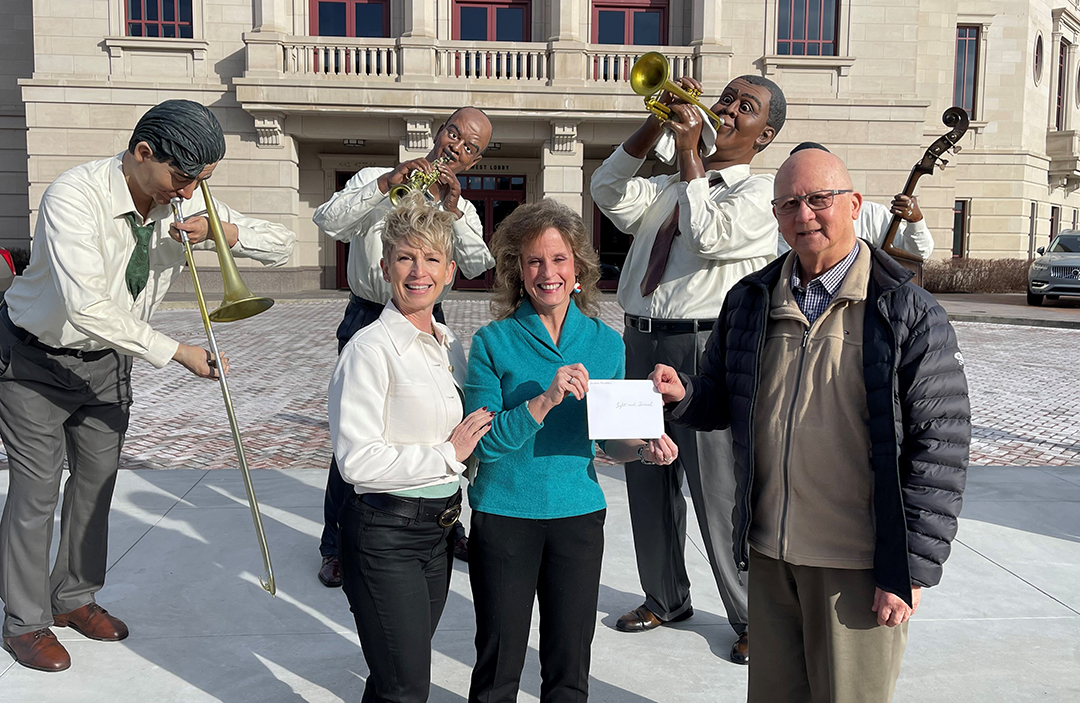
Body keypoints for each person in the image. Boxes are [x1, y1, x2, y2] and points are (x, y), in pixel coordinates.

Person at [652, 147, 970, 702]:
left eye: (819, 200)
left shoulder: (906, 310)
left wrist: (912, 569)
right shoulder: (750, 300)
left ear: (853, 204)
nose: (805, 216)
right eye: (790, 204)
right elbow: (724, 400)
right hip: (771, 558)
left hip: (859, 565)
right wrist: (686, 394)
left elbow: (939, 447)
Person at [0, 99, 297, 672]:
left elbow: (283, 244)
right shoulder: (74, 196)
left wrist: (224, 231)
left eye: (201, 182)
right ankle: (25, 622)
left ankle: (75, 599)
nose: (187, 193)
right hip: (35, 362)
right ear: (143, 154)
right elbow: (86, 305)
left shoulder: (183, 199)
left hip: (110, 364)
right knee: (36, 495)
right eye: (182, 178)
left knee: (95, 487)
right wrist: (179, 352)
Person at [589, 74, 787, 664]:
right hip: (638, 341)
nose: (725, 109)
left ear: (765, 134)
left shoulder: (759, 196)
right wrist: (658, 124)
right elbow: (605, 188)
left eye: (743, 108)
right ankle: (665, 596)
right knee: (646, 477)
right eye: (724, 98)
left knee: (716, 486)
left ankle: (750, 613)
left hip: (704, 351)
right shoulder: (669, 188)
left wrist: (693, 153)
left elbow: (708, 234)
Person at [463, 200, 678, 702]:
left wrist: (644, 448)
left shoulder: (606, 343)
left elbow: (610, 442)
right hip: (503, 514)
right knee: (498, 664)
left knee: (569, 667)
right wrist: (542, 401)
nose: (548, 273)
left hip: (578, 516)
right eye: (534, 261)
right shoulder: (492, 342)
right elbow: (485, 447)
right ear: (518, 271)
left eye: (559, 259)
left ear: (577, 268)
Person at [312, 107, 494, 587]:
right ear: (440, 131)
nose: (458, 147)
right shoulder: (377, 177)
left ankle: (445, 523)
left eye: (471, 147)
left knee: (440, 421)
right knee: (358, 432)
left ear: (474, 161)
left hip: (429, 318)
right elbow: (328, 221)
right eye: (455, 133)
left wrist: (454, 212)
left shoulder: (464, 207)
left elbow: (477, 264)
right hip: (368, 313)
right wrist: (387, 182)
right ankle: (336, 544)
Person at [327, 194, 493, 703]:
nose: (418, 271)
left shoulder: (450, 346)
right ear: (385, 267)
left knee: (394, 676)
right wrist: (449, 453)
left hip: (439, 534)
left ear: (449, 273)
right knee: (406, 688)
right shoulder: (369, 350)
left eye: (431, 259)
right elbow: (356, 461)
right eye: (405, 257)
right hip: (383, 536)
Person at [783, 141, 934, 259]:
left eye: (818, 197)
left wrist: (916, 222)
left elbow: (917, 254)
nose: (804, 215)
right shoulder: (786, 218)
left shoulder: (872, 214)